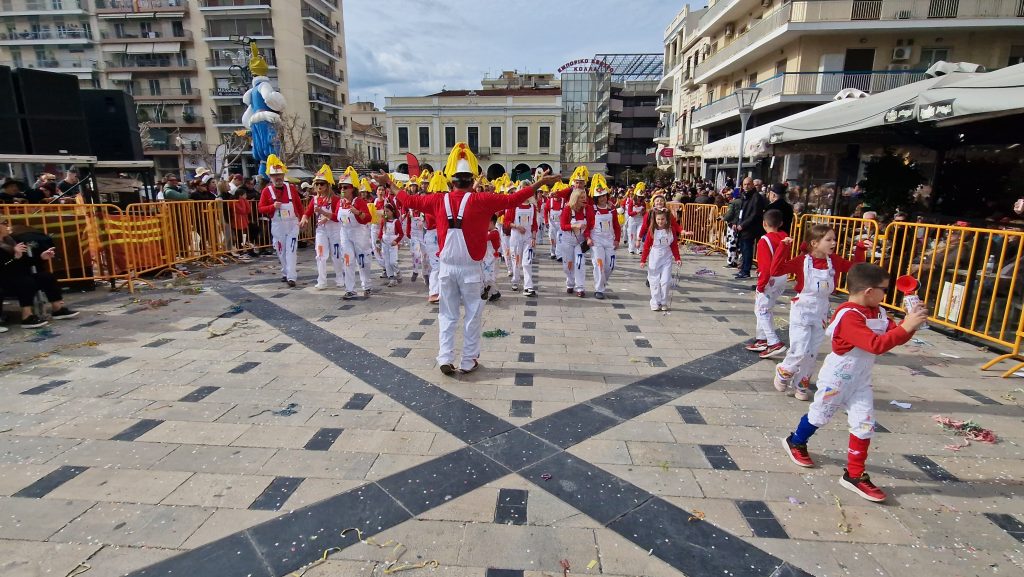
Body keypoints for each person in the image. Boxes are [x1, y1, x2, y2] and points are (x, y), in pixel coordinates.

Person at [374, 143, 561, 375]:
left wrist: (389, 184)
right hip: (471, 269)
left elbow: (408, 201)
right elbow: (514, 199)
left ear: (452, 181)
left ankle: (444, 356)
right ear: (473, 181)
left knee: (447, 314)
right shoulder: (481, 200)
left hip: (446, 269)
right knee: (472, 315)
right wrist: (540, 183)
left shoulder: (436, 200)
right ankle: (468, 360)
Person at [782, 263, 928, 502]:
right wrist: (907, 327)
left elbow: (895, 337)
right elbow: (876, 345)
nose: (886, 295)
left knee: (864, 424)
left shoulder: (878, 312)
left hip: (861, 380)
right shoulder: (849, 315)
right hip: (837, 378)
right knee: (820, 415)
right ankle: (796, 441)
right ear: (869, 291)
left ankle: (855, 474)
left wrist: (911, 324)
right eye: (884, 290)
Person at [771, 224, 869, 400]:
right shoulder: (802, 261)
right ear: (814, 243)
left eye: (834, 239)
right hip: (802, 308)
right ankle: (784, 370)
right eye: (829, 239)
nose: (834, 243)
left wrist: (860, 249)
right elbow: (776, 270)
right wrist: (783, 247)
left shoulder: (835, 261)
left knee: (812, 351)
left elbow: (856, 268)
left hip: (822, 309)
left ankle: (801, 383)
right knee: (800, 348)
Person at [1, 218, 79, 327]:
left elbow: (25, 262)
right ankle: (26, 316)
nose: (8, 226)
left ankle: (58, 309)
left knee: (46, 277)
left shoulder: (11, 241)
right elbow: (4, 266)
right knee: (25, 281)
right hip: (4, 279)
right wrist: (15, 257)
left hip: (17, 275)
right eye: (4, 223)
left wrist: (41, 257)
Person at [746, 209, 790, 359]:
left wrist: (760, 285)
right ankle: (762, 339)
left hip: (770, 277)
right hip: (782, 276)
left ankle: (773, 342)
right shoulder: (784, 237)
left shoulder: (765, 240)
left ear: (764, 223)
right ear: (781, 223)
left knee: (762, 310)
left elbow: (765, 267)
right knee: (765, 307)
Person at [257, 155, 304, 287]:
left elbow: (299, 206)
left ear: (284, 175)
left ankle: (291, 277)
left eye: (280, 175)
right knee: (281, 250)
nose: (278, 178)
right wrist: (272, 207)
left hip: (292, 224)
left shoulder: (292, 189)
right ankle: (285, 272)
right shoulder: (266, 191)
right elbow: (260, 208)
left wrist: (303, 219)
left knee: (291, 249)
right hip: (277, 225)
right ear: (270, 177)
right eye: (274, 176)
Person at [300, 165, 344, 290]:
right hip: (321, 230)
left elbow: (337, 216)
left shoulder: (335, 199)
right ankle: (322, 280)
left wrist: (325, 215)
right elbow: (307, 212)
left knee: (336, 254)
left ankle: (340, 278)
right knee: (320, 255)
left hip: (334, 229)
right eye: (317, 183)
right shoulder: (314, 199)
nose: (319, 186)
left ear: (327, 185)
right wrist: (304, 219)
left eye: (322, 184)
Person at [336, 167, 374, 299]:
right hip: (345, 233)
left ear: (352, 188)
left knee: (363, 261)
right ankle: (350, 289)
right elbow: (336, 217)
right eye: (341, 187)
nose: (342, 190)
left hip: (359, 234)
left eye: (345, 187)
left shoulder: (358, 201)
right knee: (348, 260)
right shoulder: (339, 202)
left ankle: (367, 285)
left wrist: (358, 212)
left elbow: (368, 218)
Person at [640, 209, 682, 311]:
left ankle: (663, 302)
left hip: (667, 257)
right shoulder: (652, 230)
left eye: (662, 219)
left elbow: (674, 245)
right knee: (654, 280)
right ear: (655, 219)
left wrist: (677, 258)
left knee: (666, 281)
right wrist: (643, 260)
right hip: (655, 257)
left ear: (666, 219)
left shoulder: (671, 230)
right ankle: (655, 302)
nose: (660, 221)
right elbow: (646, 246)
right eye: (658, 219)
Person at [502, 184, 539, 296]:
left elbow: (534, 225)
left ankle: (528, 287)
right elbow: (506, 222)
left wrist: (533, 237)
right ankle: (515, 280)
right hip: (516, 237)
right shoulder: (514, 206)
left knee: (527, 262)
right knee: (517, 261)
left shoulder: (532, 207)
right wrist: (517, 226)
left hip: (528, 238)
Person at [589, 174, 621, 300]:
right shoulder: (592, 208)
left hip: (609, 240)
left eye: (604, 195)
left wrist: (617, 239)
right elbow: (587, 226)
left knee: (611, 265)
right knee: (599, 264)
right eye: (599, 196)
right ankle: (599, 289)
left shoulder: (612, 209)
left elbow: (617, 226)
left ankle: (602, 282)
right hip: (596, 241)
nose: (602, 198)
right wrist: (588, 238)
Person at [560, 185, 595, 297]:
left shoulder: (588, 209)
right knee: (568, 265)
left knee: (580, 263)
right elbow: (562, 226)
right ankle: (570, 283)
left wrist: (588, 237)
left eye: (585, 197)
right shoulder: (567, 209)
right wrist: (574, 226)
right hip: (568, 240)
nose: (585, 199)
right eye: (582, 197)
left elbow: (589, 226)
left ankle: (580, 288)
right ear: (575, 198)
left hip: (580, 242)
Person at [734, 177, 766, 280]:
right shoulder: (744, 196)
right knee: (743, 249)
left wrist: (742, 225)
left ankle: (746, 271)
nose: (746, 187)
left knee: (747, 250)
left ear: (752, 185)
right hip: (743, 227)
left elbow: (754, 214)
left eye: (748, 184)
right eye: (744, 185)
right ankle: (743, 269)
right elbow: (741, 212)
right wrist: (737, 223)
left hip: (751, 228)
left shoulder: (756, 197)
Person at [404, 176, 428, 284]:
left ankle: (426, 273)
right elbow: (408, 221)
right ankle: (415, 271)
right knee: (415, 254)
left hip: (424, 235)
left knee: (425, 256)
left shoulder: (427, 210)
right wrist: (408, 232)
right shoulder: (411, 209)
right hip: (414, 234)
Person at [377, 203, 404, 287]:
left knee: (393, 262)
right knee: (387, 263)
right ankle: (391, 278)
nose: (386, 213)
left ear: (392, 211)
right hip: (385, 244)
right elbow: (381, 232)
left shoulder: (396, 222)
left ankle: (398, 272)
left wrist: (396, 241)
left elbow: (401, 233)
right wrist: (378, 243)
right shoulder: (383, 221)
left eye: (387, 211)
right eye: (384, 212)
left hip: (392, 244)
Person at [481, 214, 502, 302]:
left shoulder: (495, 233)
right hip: (487, 258)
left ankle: (492, 292)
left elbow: (484, 238)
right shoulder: (489, 232)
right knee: (486, 276)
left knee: (490, 277)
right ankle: (493, 292)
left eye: (487, 223)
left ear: (492, 223)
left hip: (493, 259)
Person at [546, 182, 568, 260]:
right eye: (556, 193)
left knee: (560, 238)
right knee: (552, 238)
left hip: (560, 223)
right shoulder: (550, 201)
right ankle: (553, 252)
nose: (557, 195)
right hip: (552, 223)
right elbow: (546, 211)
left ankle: (559, 254)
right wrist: (546, 221)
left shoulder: (563, 201)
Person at [625, 182, 647, 255]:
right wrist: (636, 212)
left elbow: (645, 212)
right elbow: (629, 213)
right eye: (638, 196)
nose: (639, 198)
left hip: (640, 220)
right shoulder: (632, 201)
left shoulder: (643, 203)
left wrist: (642, 213)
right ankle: (631, 248)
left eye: (641, 197)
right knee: (632, 235)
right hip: (632, 220)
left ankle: (640, 249)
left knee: (639, 234)